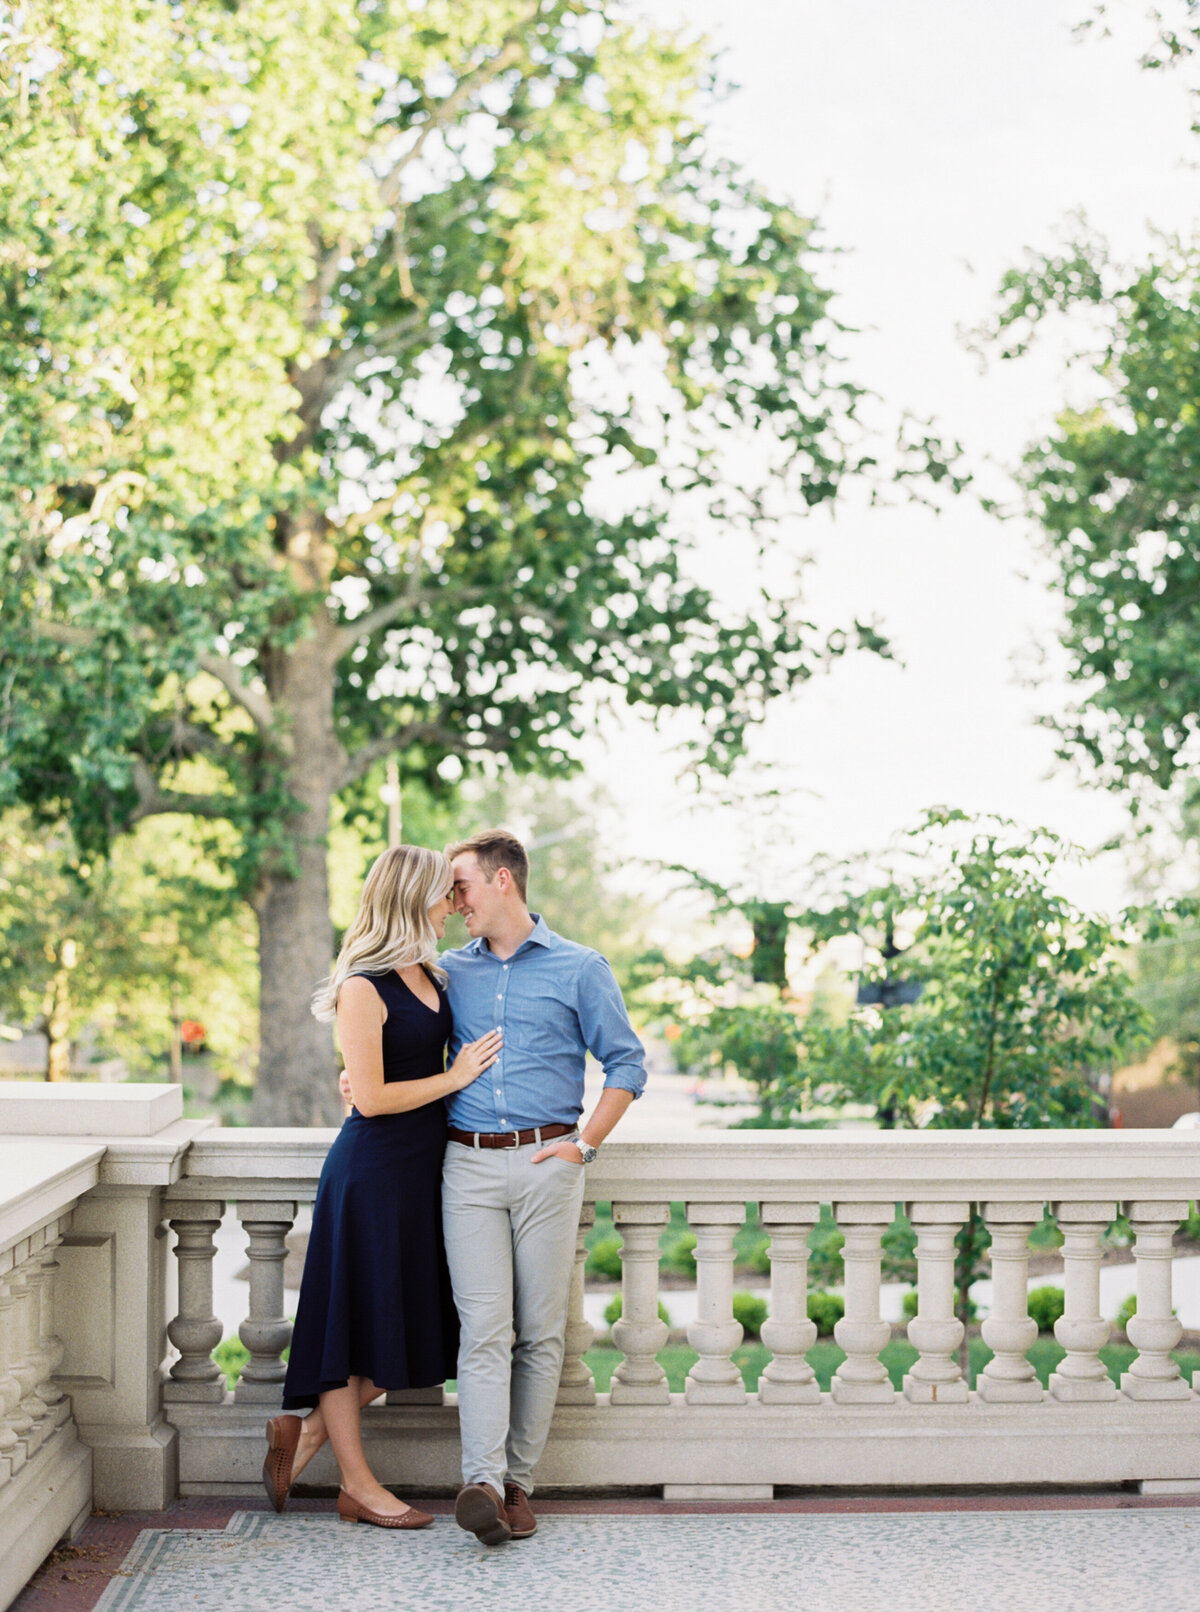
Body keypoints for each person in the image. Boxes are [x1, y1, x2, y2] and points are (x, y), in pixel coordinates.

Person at [262, 845, 502, 1530]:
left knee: (420, 1327)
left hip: (426, 1173)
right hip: (370, 1177)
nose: (454, 903)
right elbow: (367, 1098)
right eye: (444, 892)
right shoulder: (361, 986)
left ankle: (305, 1436)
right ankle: (358, 1486)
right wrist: (453, 1081)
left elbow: (390, 1073)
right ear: (412, 897)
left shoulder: (433, 971)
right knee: (354, 1330)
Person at [429, 828, 647, 1545]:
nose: (452, 900)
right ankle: (483, 1484)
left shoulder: (581, 968)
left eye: (460, 884)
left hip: (545, 1165)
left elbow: (626, 1065)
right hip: (465, 1165)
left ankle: (519, 1483)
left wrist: (582, 1146)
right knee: (484, 1328)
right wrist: (356, 1079)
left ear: (502, 882)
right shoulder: (449, 972)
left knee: (542, 1333)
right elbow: (403, 1040)